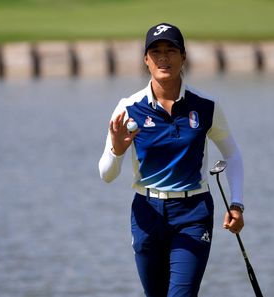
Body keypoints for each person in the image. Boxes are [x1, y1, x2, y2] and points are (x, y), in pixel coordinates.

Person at [99, 22, 245, 297]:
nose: (163, 58)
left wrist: (236, 204)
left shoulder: (205, 106)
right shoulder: (128, 107)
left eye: (170, 50)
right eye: (156, 52)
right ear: (146, 60)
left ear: (183, 57)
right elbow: (106, 174)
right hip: (147, 213)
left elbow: (232, 155)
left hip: (193, 213)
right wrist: (116, 151)